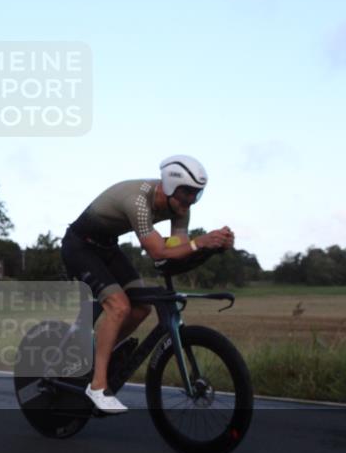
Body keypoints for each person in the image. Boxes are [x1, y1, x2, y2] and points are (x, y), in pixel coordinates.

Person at [61, 155, 235, 414]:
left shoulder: (180, 208)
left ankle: (98, 356)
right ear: (170, 186)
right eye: (186, 193)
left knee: (142, 307)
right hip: (79, 247)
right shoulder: (138, 202)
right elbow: (158, 252)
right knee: (119, 306)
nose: (190, 200)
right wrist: (200, 242)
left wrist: (213, 248)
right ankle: (97, 386)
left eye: (196, 194)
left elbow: (176, 256)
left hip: (107, 248)